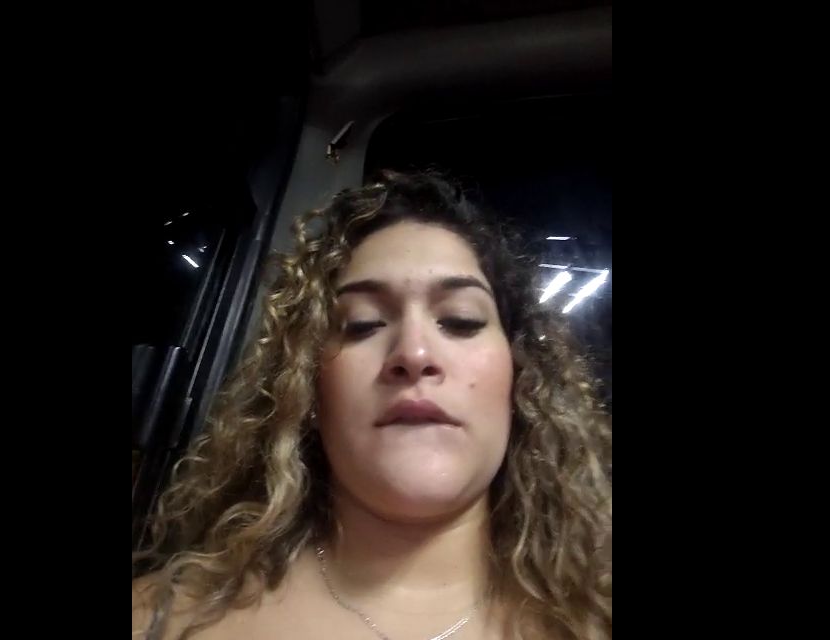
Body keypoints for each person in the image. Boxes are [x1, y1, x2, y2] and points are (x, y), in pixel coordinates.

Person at [133, 170, 612, 640]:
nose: (414, 353)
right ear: (306, 389)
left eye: (461, 320)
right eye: (362, 324)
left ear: (520, 379)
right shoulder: (156, 620)